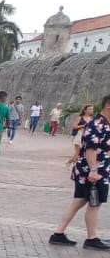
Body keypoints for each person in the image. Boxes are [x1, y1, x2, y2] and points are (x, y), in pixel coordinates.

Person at [49, 94, 110, 250]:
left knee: (79, 201)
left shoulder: (104, 124)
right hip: (93, 171)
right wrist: (94, 170)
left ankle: (58, 234)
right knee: (94, 203)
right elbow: (90, 148)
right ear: (108, 105)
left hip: (93, 169)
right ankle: (91, 238)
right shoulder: (98, 124)